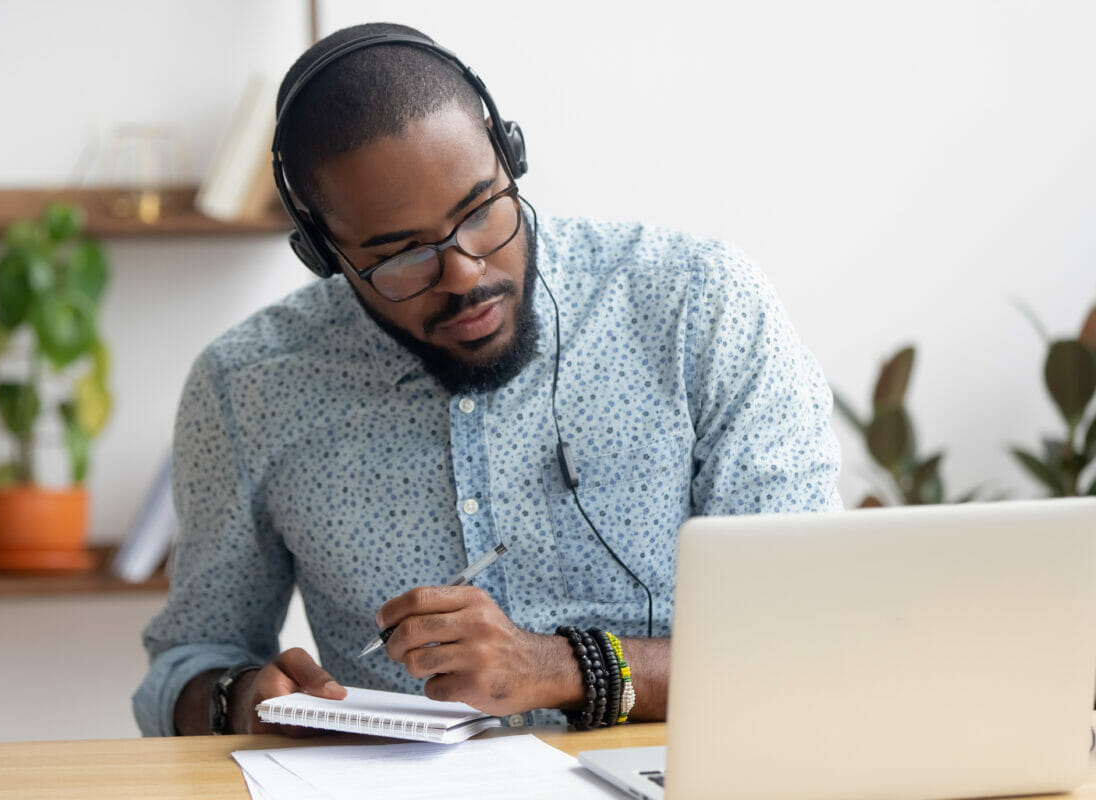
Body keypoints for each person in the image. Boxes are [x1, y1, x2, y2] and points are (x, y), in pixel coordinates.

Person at [133, 21, 842, 738]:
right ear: (322, 253)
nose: (465, 272)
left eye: (480, 211)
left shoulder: (700, 306)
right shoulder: (246, 387)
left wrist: (558, 668)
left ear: (511, 156)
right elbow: (186, 665)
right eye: (400, 255)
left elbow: (811, 638)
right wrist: (240, 698)